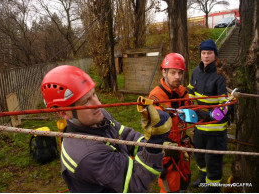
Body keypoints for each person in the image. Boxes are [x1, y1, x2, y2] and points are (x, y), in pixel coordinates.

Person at [40, 65, 172, 193]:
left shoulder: (97, 116)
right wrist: (154, 146)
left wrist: (147, 144)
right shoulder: (87, 155)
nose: (98, 104)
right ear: (63, 113)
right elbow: (134, 184)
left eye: (94, 94)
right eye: (86, 101)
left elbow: (124, 134)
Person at [187, 39, 229, 193]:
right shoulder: (196, 71)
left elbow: (224, 107)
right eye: (203, 53)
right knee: (199, 155)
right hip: (199, 125)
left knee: (213, 160)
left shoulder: (220, 76)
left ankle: (212, 187)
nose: (206, 56)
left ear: (215, 55)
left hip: (215, 129)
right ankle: (203, 178)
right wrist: (190, 107)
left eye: (209, 53)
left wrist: (207, 115)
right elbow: (191, 90)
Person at [148, 53, 192, 193]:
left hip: (182, 145)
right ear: (164, 72)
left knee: (185, 178)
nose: (177, 77)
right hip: (168, 149)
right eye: (173, 72)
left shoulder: (183, 93)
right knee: (170, 185)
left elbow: (190, 114)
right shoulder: (156, 96)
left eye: (180, 73)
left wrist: (202, 115)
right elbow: (154, 123)